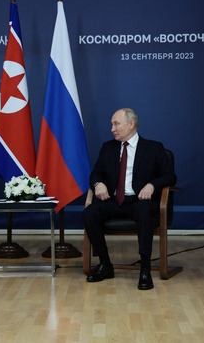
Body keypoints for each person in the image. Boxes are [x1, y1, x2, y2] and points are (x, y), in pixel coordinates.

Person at [82, 108, 176, 290]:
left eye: (116, 124)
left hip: (139, 201)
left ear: (131, 124)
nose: (112, 129)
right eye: (112, 124)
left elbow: (170, 176)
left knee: (144, 211)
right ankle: (105, 264)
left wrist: (152, 185)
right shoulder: (108, 147)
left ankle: (145, 269)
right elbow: (95, 173)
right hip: (113, 201)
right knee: (89, 213)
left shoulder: (153, 148)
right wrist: (97, 184)